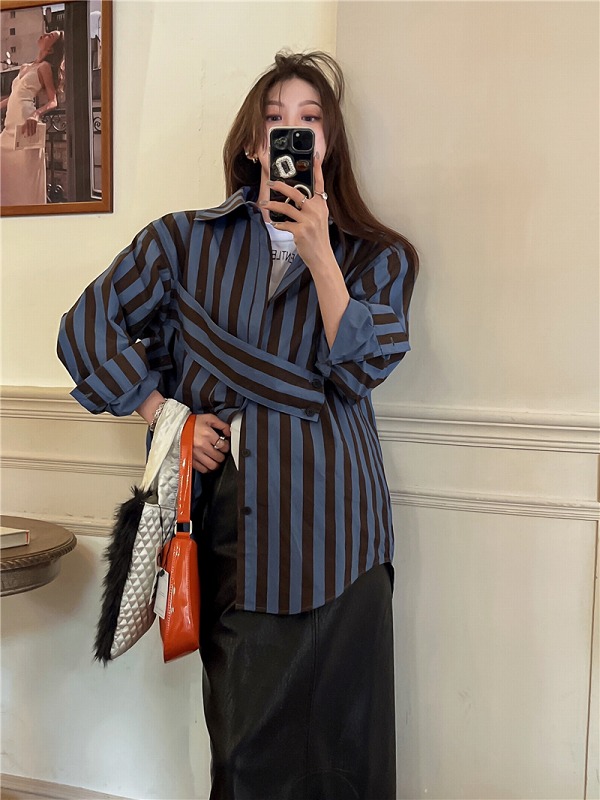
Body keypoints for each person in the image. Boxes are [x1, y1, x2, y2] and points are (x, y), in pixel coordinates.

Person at [57, 51, 418, 799]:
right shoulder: (183, 241)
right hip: (241, 537)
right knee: (245, 756)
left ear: (328, 144)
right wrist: (165, 415)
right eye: (276, 120)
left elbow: (359, 372)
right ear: (254, 143)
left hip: (345, 533)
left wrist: (321, 255)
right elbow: (86, 328)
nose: (292, 132)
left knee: (349, 755)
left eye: (310, 121)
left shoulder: (377, 256)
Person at [0, 30, 64, 205]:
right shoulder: (24, 67)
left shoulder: (44, 67)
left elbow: (53, 101)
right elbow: (15, 95)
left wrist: (36, 115)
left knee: (26, 179)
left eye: (50, 36)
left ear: (51, 49)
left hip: (26, 125)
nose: (45, 34)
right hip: (10, 124)